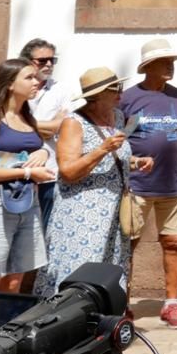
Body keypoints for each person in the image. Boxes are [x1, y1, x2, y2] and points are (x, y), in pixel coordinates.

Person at [34, 67, 150, 299]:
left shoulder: (117, 117)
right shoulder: (73, 123)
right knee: (80, 268)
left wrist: (136, 162)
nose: (120, 91)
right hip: (82, 214)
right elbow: (67, 170)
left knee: (109, 270)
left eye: (119, 86)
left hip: (113, 211)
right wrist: (102, 149)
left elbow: (114, 158)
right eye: (113, 88)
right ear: (96, 96)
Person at [0, 59, 57, 344]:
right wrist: (29, 170)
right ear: (9, 84)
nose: (36, 81)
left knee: (15, 279)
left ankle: (2, 344)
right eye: (28, 77)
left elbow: (31, 148)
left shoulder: (27, 116)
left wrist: (42, 152)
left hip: (26, 202)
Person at [119, 37, 177, 329]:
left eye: (172, 62)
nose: (170, 67)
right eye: (165, 62)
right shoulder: (128, 98)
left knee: (174, 242)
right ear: (148, 66)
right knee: (128, 245)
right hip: (137, 184)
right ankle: (121, 303)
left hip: (173, 183)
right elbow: (121, 137)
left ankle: (171, 304)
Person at [18, 39, 71, 252]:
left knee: (43, 231)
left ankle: (32, 283)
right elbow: (4, 123)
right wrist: (47, 126)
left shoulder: (62, 90)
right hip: (16, 171)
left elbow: (60, 127)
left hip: (49, 171)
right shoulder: (15, 88)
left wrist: (21, 124)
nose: (49, 64)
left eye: (52, 60)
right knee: (16, 231)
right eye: (42, 60)